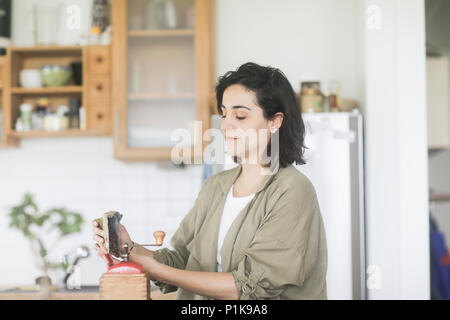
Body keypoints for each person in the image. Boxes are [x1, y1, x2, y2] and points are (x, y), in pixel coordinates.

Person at [92, 62, 328, 300]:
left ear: (275, 122)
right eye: (224, 114)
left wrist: (158, 270)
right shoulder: (216, 186)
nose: (226, 125)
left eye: (241, 115)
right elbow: (182, 259)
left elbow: (247, 287)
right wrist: (128, 248)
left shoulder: (293, 190)